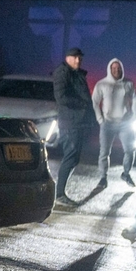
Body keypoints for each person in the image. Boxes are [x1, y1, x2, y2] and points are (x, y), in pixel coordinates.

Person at [52, 47, 95, 208]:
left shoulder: (76, 74)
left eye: (80, 58)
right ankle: (59, 194)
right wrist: (82, 104)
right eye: (75, 58)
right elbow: (61, 98)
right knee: (70, 157)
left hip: (78, 122)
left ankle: (60, 193)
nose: (78, 61)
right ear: (67, 58)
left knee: (74, 158)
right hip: (70, 123)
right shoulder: (63, 73)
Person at [91, 58, 136, 188]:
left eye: (118, 68)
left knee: (130, 150)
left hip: (125, 123)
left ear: (122, 69)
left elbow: (135, 98)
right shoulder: (102, 84)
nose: (116, 70)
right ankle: (103, 177)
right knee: (104, 152)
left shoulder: (128, 83)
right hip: (108, 123)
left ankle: (126, 173)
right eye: (114, 68)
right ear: (109, 69)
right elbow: (95, 102)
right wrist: (100, 119)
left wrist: (133, 116)